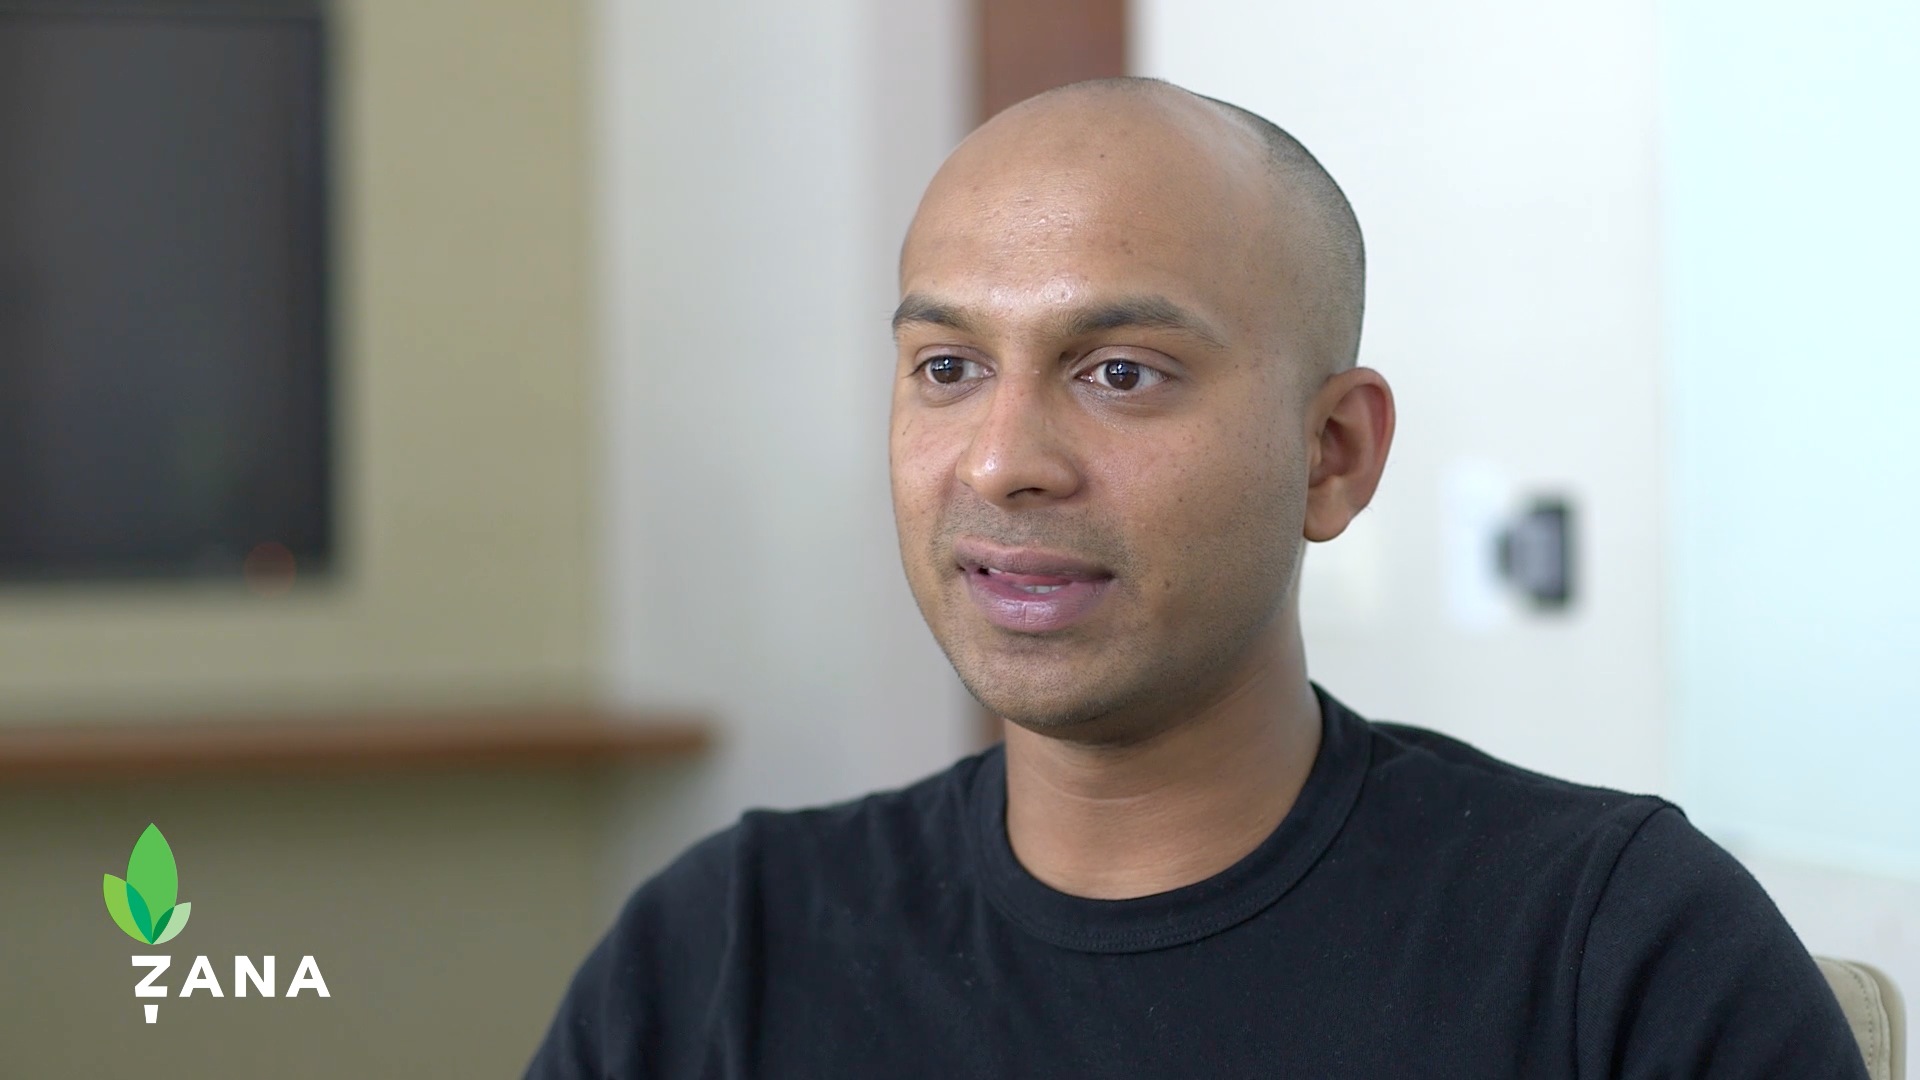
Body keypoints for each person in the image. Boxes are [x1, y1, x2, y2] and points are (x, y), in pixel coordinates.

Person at [526, 78, 1866, 1078]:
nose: (1001, 462)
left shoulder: (1611, 949)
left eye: (1121, 372)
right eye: (948, 367)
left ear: (1331, 455)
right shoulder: (724, 951)